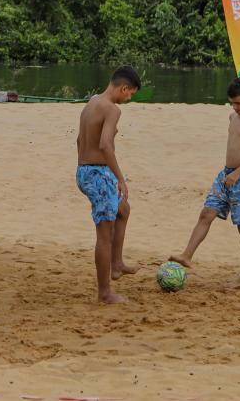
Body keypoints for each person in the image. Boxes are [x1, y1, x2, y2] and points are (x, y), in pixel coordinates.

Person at [169, 77, 240, 288]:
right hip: (226, 175)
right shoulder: (233, 116)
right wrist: (230, 173)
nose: (235, 107)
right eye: (232, 102)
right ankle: (187, 255)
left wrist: (238, 173)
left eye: (239, 103)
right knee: (207, 213)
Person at [76, 66, 141, 304]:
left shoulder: (93, 101)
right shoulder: (112, 109)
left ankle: (117, 264)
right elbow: (105, 145)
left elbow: (79, 140)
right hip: (98, 173)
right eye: (130, 94)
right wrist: (120, 178)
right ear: (123, 88)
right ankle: (105, 293)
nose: (129, 98)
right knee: (104, 233)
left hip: (85, 170)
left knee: (123, 209)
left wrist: (83, 166)